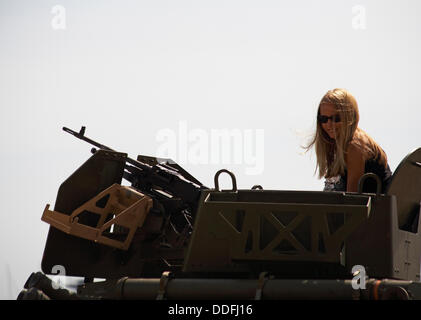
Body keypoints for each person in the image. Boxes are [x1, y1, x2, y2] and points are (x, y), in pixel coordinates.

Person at [305, 88, 392, 193]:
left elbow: (352, 200)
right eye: (324, 119)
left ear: (350, 117)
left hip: (375, 208)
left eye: (336, 118)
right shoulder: (337, 144)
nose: (329, 124)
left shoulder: (355, 146)